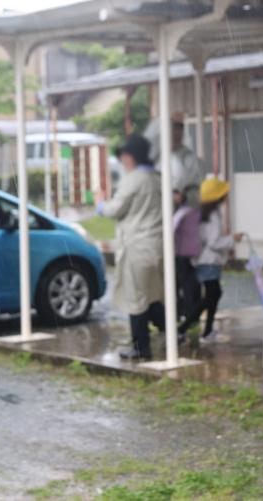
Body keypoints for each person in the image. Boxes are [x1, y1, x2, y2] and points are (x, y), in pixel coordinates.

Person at [96, 134, 165, 361]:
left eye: (124, 156)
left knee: (136, 298)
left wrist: (100, 205)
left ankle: (140, 347)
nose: (122, 161)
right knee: (153, 294)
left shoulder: (134, 179)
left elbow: (115, 210)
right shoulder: (157, 178)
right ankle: (173, 332)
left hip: (137, 245)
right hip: (157, 245)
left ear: (130, 157)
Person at [191, 177, 243, 343]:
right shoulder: (213, 215)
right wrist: (232, 239)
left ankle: (206, 331)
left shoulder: (204, 213)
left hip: (203, 260)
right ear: (218, 196)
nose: (226, 195)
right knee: (212, 295)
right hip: (209, 261)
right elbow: (214, 242)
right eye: (224, 193)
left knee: (212, 295)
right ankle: (185, 328)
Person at [173, 188, 202, 341]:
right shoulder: (198, 213)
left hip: (181, 255)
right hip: (193, 256)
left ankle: (185, 316)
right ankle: (192, 317)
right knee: (192, 287)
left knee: (183, 287)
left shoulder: (182, 213)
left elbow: (171, 230)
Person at [169, 111, 205, 207]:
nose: (176, 133)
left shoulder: (192, 160)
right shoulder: (159, 159)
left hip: (185, 210)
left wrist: (184, 197)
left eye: (179, 128)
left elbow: (201, 191)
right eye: (173, 128)